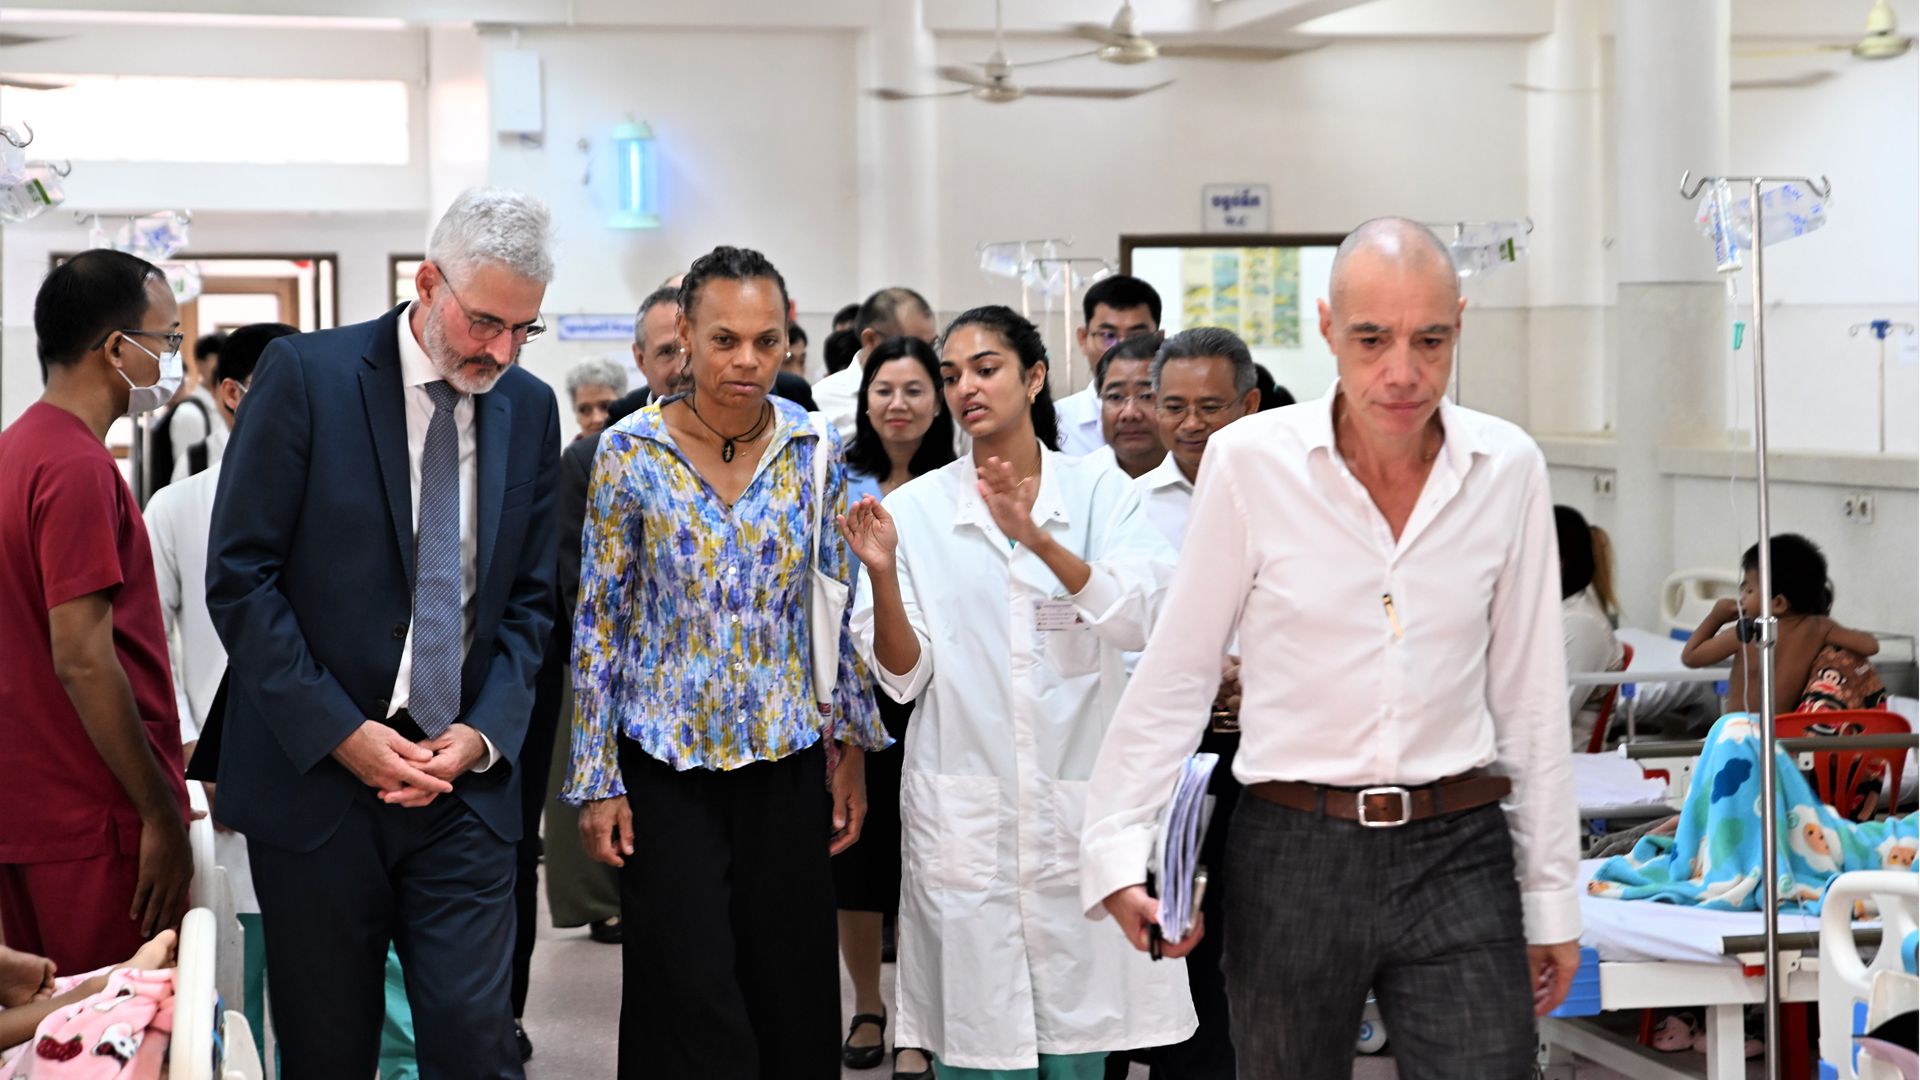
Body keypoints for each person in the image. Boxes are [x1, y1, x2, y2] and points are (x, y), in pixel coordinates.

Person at [1082, 218, 1583, 1080]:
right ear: (1326, 330)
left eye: (1431, 340)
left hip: (1456, 844)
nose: (1403, 371)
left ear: (1459, 325)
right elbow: (1180, 667)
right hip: (1292, 847)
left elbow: (1531, 696)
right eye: (1372, 339)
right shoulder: (1251, 464)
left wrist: (1553, 897)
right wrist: (1120, 847)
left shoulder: (1507, 468)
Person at [206, 187, 562, 1079]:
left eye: (526, 331)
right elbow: (240, 579)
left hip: (462, 786)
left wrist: (484, 733)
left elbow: (530, 600)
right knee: (331, 1048)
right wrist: (343, 734)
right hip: (323, 781)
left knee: (476, 1040)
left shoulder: (530, 405)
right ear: (429, 281)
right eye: (486, 323)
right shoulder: (306, 376)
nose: (502, 351)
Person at [843, 305, 1193, 1079]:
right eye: (952, 374)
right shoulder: (915, 511)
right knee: (979, 1047)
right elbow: (904, 674)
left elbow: (1136, 617)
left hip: (1075, 813)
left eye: (987, 368)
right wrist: (879, 574)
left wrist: (1039, 540)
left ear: (1034, 378)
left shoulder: (1102, 494)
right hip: (969, 818)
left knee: (1079, 1046)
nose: (966, 386)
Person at [567, 245, 890, 1080]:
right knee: (689, 981)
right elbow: (601, 620)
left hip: (785, 756)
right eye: (724, 340)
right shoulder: (629, 451)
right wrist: (596, 776)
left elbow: (836, 603)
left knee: (789, 978)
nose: (747, 361)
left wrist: (849, 749)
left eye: (767, 341)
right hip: (662, 760)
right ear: (684, 333)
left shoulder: (816, 447)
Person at [0, 250, 194, 976]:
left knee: (51, 1034)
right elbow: (82, 656)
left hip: (33, 812)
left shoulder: (16, 450)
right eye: (168, 340)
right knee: (110, 1030)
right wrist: (158, 811)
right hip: (95, 820)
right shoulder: (79, 470)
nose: (174, 359)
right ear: (119, 348)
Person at [144, 321, 297, 1058]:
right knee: (240, 968)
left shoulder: (338, 498)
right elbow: (143, 645)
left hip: (335, 767)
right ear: (234, 395)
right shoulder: (177, 509)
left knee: (351, 973)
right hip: (221, 770)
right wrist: (189, 743)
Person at [1130, 327, 1263, 1080]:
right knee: (1186, 945)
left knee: (1277, 943)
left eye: (1210, 406)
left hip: (1276, 752)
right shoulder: (1129, 508)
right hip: (1176, 762)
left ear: (1249, 404)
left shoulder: (1295, 499)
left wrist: (1263, 675)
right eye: (1173, 405)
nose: (1190, 423)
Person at [834, 337, 956, 1080]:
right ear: (865, 396)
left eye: (915, 389)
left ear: (938, 401)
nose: (898, 403)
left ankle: (918, 1016)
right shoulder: (836, 478)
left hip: (939, 690)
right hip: (855, 691)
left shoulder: (957, 483)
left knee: (929, 856)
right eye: (885, 389)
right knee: (861, 860)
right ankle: (869, 1003)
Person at [1681, 533, 1880, 716]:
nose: (1741, 596)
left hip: (1739, 730)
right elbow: (1870, 646)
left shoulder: (1749, 632)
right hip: (1782, 733)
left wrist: (1716, 617)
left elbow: (1691, 656)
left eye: (1749, 590)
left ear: (1778, 603)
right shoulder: (1819, 628)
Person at [1054, 276, 1162, 456]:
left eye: (1137, 336)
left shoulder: (1178, 417)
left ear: (1159, 340)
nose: (1122, 348)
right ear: (1083, 339)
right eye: (1108, 336)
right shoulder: (1056, 421)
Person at [814, 286, 937, 440]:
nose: (926, 359)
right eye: (913, 347)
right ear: (871, 340)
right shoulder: (821, 402)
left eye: (931, 347)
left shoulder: (939, 396)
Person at [1556, 506, 1626, 749]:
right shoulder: (1555, 613)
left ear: (1558, 563)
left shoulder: (1581, 625)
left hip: (1563, 767)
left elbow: (1553, 718)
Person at [1086, 333, 1167, 480]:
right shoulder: (1074, 481)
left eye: (1146, 396)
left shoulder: (1203, 477)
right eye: (1115, 397)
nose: (1129, 413)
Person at [630, 284, 692, 405]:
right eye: (667, 352)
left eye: (694, 349)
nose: (685, 370)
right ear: (641, 359)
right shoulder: (621, 421)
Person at [564, 358, 629, 440]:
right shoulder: (567, 452)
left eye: (606, 407)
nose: (596, 419)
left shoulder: (646, 450)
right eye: (584, 410)